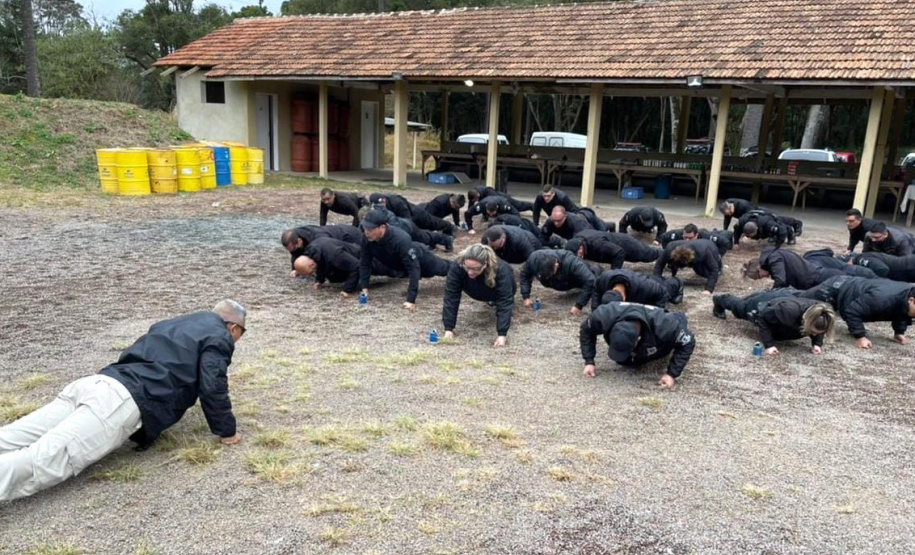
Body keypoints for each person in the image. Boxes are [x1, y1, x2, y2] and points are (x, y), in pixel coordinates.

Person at [0, 300, 247, 502]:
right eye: (241, 334)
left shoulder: (173, 323)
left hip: (94, 383)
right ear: (234, 328)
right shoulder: (219, 335)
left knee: (12, 436)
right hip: (117, 401)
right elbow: (212, 385)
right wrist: (227, 431)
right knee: (41, 460)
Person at [579, 302, 695, 388]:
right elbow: (586, 329)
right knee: (624, 362)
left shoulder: (666, 326)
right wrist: (589, 361)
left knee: (678, 323)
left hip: (668, 319)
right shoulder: (604, 316)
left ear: (638, 338)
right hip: (634, 312)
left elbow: (688, 341)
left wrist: (671, 374)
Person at [358, 210, 451, 311]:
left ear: (382, 227)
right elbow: (365, 263)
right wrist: (365, 288)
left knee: (444, 268)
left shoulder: (400, 239)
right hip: (400, 265)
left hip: (421, 259)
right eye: (365, 227)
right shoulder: (366, 238)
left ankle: (462, 268)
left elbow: (413, 268)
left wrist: (411, 300)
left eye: (370, 229)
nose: (367, 232)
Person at [798, 276, 915, 349]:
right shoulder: (882, 299)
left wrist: (899, 332)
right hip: (836, 288)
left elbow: (902, 311)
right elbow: (852, 311)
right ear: (911, 300)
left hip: (853, 288)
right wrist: (860, 336)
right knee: (800, 302)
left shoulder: (906, 296)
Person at [712, 291, 836, 355]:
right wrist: (769, 345)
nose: (814, 334)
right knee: (740, 309)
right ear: (807, 321)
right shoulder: (788, 312)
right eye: (813, 332)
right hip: (765, 304)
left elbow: (820, 327)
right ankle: (719, 299)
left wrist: (817, 344)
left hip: (785, 299)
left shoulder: (821, 313)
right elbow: (762, 318)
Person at [442, 244, 516, 347]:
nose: (470, 272)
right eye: (467, 267)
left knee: (501, 303)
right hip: (474, 290)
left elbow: (504, 301)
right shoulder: (458, 265)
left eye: (475, 269)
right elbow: (451, 296)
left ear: (485, 264)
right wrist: (448, 328)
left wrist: (502, 334)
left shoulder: (502, 270)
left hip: (495, 291)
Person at [293, 237, 403, 295]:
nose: (312, 274)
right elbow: (320, 264)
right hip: (348, 254)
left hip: (364, 257)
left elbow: (357, 267)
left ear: (311, 264)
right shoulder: (311, 251)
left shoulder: (333, 255)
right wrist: (319, 280)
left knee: (391, 269)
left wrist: (347, 290)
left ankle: (406, 270)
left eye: (310, 272)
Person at [743, 247, 875, 290]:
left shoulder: (774, 258)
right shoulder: (775, 256)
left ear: (759, 268)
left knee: (856, 286)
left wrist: (771, 293)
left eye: (760, 275)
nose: (764, 277)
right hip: (820, 277)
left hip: (820, 278)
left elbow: (781, 280)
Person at [519, 249, 599, 316]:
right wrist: (526, 297)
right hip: (560, 282)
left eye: (550, 274)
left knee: (596, 279)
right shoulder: (534, 259)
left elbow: (590, 281)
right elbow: (524, 275)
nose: (547, 277)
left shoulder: (572, 262)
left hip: (577, 279)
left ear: (556, 264)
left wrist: (579, 305)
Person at [358, 206, 454, 252]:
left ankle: (446, 240)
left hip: (407, 228)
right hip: (402, 229)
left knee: (425, 237)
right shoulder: (368, 221)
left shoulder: (386, 217)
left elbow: (398, 235)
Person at [591, 268, 683, 311]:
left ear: (623, 298)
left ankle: (678, 283)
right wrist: (595, 311)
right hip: (631, 278)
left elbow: (663, 293)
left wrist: (656, 313)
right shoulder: (602, 281)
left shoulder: (645, 286)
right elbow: (596, 288)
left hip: (648, 284)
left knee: (667, 287)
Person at [281, 225, 362, 273]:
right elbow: (295, 252)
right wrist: (295, 269)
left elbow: (326, 257)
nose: (292, 252)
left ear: (299, 241)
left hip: (350, 236)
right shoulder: (294, 238)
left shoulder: (318, 239)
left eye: (294, 248)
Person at [653, 239, 723, 294]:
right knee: (672, 265)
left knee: (702, 271)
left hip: (711, 248)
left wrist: (709, 289)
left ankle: (719, 263)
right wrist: (657, 280)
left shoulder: (703, 252)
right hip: (689, 253)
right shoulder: (670, 249)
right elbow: (659, 264)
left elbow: (713, 269)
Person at [369, 192, 455, 235]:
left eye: (383, 202)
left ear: (384, 199)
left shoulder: (396, 202)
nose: (382, 205)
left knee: (432, 223)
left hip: (414, 213)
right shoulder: (375, 207)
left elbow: (407, 221)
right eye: (380, 204)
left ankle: (450, 227)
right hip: (403, 216)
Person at [718, 199, 803, 237]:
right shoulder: (727, 206)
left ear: (730, 207)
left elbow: (751, 217)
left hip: (760, 213)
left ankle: (796, 223)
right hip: (751, 216)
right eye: (727, 214)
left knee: (778, 220)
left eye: (729, 213)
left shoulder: (743, 205)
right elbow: (727, 219)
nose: (729, 215)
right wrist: (725, 230)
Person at [659, 224, 734, 257]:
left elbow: (725, 242)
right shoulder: (677, 234)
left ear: (696, 235)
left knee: (723, 235)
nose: (687, 240)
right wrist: (668, 253)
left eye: (690, 238)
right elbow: (664, 237)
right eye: (685, 237)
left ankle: (726, 232)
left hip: (707, 234)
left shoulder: (705, 236)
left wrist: (718, 255)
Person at [850, 251, 915, 281]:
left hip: (906, 269)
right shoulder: (866, 254)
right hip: (907, 263)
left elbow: (883, 270)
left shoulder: (860, 259)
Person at [467, 185, 533, 213]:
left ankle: (532, 206)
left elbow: (496, 203)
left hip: (503, 198)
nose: (474, 201)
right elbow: (471, 204)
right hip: (496, 198)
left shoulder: (488, 192)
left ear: (477, 196)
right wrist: (469, 211)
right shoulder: (473, 193)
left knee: (519, 206)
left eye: (475, 200)